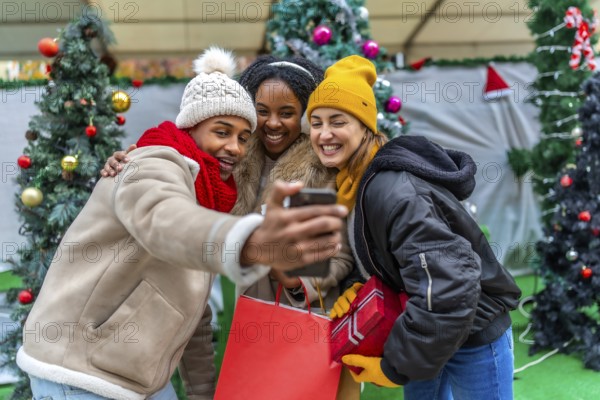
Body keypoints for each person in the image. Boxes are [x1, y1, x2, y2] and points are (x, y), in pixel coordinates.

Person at [16, 47, 347, 400]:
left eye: (286, 113)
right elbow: (165, 219)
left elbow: (191, 304)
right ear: (190, 126)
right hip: (83, 372)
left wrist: (297, 280)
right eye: (261, 113)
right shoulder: (161, 165)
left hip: (153, 370)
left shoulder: (227, 184)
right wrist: (250, 241)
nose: (271, 124)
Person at [306, 54, 522, 399]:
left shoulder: (393, 191)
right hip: (422, 329)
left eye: (337, 121)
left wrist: (395, 367)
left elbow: (450, 283)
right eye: (315, 122)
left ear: (365, 125)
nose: (324, 133)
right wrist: (358, 285)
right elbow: (394, 258)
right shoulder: (351, 183)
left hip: (471, 335)